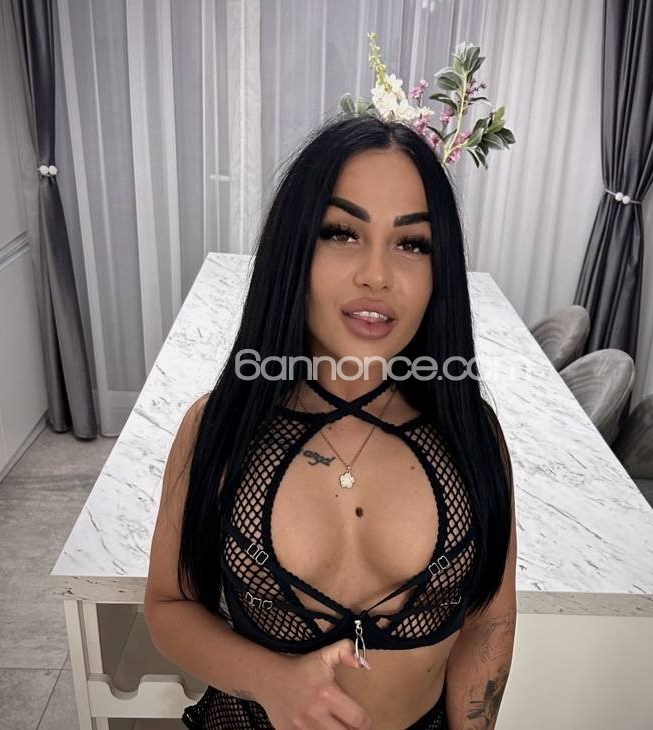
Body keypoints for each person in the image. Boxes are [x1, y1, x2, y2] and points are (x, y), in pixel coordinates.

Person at [144, 113, 517, 730]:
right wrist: (273, 680)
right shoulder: (218, 427)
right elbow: (168, 606)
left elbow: (489, 621)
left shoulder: (471, 436)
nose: (377, 274)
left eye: (412, 243)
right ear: (295, 247)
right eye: (342, 233)